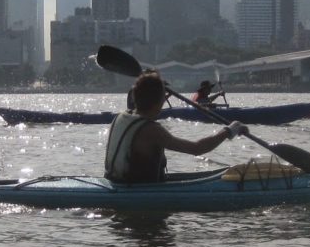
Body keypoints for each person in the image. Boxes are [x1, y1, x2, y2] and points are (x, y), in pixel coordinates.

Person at [105, 71, 248, 183]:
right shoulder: (151, 130)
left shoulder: (121, 116)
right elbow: (197, 148)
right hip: (139, 189)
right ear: (159, 102)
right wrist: (229, 130)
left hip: (116, 181)